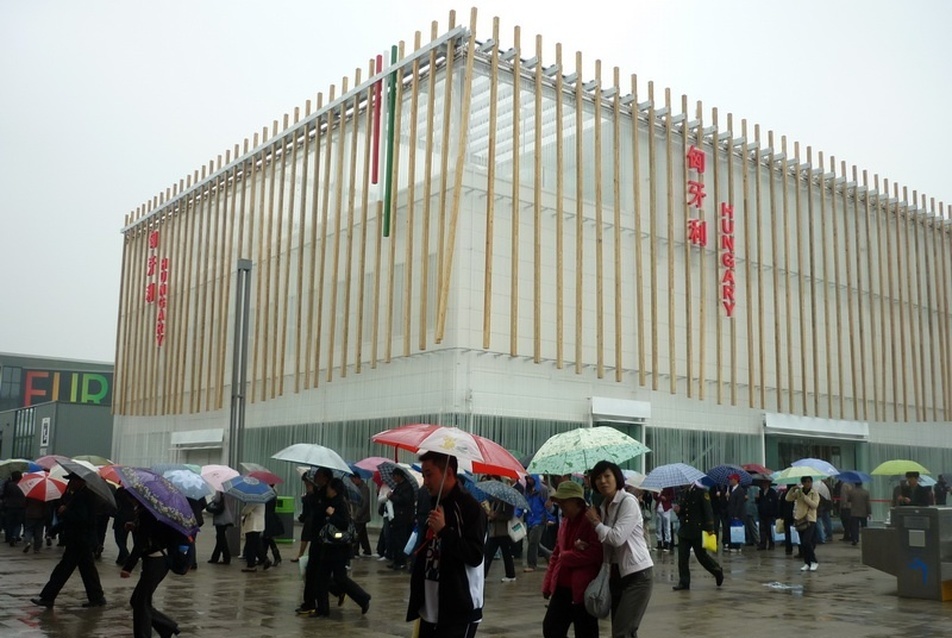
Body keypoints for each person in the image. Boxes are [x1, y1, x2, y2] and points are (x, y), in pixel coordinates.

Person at [407, 451, 487, 637]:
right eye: (423, 475)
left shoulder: (470, 508)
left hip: (459, 609)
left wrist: (443, 531)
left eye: (429, 474)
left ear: (448, 473)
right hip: (430, 605)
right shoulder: (434, 503)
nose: (425, 481)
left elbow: (474, 555)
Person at [585, 460, 653, 638]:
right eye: (598, 478)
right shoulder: (603, 506)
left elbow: (616, 538)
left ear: (617, 478)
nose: (603, 481)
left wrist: (596, 522)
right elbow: (607, 541)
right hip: (616, 574)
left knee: (622, 631)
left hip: (638, 574)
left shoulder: (628, 502)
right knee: (624, 629)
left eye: (607, 476)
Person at [31, 473, 107, 608]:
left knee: (63, 569)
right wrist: (55, 529)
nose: (69, 483)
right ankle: (97, 597)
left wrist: (65, 511)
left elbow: (81, 518)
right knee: (87, 570)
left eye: (71, 480)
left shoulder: (83, 496)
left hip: (78, 540)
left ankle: (48, 597)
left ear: (79, 481)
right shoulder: (79, 494)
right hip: (81, 539)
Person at [542, 480, 602, 638]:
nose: (560, 506)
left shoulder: (591, 521)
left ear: (576, 502)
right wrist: (548, 583)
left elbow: (596, 553)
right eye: (559, 502)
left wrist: (568, 556)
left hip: (583, 589)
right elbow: (556, 553)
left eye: (564, 502)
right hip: (562, 587)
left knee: (585, 631)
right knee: (551, 628)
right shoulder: (565, 522)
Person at [308, 477, 371, 617]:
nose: (327, 490)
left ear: (335, 490)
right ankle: (322, 609)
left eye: (329, 488)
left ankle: (363, 598)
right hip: (328, 547)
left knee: (340, 579)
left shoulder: (341, 504)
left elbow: (343, 524)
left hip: (338, 549)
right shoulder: (329, 501)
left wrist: (332, 514)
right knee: (321, 579)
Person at [120, 501, 181, 638]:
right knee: (139, 601)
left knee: (140, 602)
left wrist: (128, 567)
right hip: (156, 560)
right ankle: (167, 627)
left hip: (156, 560)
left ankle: (147, 634)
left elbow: (141, 542)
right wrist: (135, 527)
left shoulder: (147, 513)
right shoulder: (152, 510)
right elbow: (153, 532)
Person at [672, 481, 724, 591]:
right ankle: (684, 582)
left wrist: (710, 528)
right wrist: (678, 510)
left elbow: (708, 510)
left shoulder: (701, 492)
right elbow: (684, 511)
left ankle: (717, 570)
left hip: (697, 530)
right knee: (682, 558)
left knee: (702, 557)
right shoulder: (684, 492)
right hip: (684, 530)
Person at [785, 476, 820, 572]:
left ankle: (814, 561)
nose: (808, 484)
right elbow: (788, 499)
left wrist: (805, 498)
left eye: (809, 482)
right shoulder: (799, 492)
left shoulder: (814, 493)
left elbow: (815, 505)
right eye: (806, 482)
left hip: (810, 519)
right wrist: (792, 489)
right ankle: (807, 563)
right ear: (803, 483)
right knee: (802, 543)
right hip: (800, 519)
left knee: (806, 541)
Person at [524, 474, 554, 572]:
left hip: (540, 519)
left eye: (530, 478)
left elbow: (548, 505)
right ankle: (549, 555)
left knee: (533, 542)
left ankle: (532, 564)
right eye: (527, 478)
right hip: (530, 519)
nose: (529, 480)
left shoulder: (542, 489)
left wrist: (549, 518)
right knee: (534, 542)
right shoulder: (527, 490)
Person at [483, 495, 517, 582]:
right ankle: (483, 574)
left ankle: (510, 575)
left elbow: (508, 516)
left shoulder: (507, 503)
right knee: (488, 554)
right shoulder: (494, 503)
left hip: (504, 532)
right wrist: (490, 515)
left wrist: (495, 516)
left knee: (506, 554)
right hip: (494, 532)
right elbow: (492, 516)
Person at [388, 467, 416, 570]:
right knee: (394, 540)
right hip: (396, 517)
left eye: (394, 476)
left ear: (399, 476)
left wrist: (392, 497)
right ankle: (396, 560)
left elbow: (404, 500)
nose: (393, 478)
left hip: (403, 518)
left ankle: (401, 561)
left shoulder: (407, 487)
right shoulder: (398, 486)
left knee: (401, 540)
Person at [207, 491, 238, 565]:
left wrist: (213, 498)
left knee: (221, 537)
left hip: (221, 517)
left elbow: (217, 500)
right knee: (220, 537)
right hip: (229, 516)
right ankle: (215, 557)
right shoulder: (231, 491)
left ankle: (226, 557)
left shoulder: (220, 489)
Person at [291, 475, 316, 562]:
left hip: (313, 518)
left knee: (309, 537)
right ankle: (301, 554)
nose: (305, 484)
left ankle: (303, 554)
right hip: (309, 517)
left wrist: (306, 498)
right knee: (305, 537)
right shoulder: (309, 493)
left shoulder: (315, 493)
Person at [240, 501, 268, 572]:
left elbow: (245, 511)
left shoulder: (254, 500)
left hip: (253, 525)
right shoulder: (261, 500)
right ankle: (264, 559)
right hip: (258, 525)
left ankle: (251, 565)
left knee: (251, 546)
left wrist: (243, 510)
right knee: (256, 545)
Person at [261, 487, 284, 566]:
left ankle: (276, 557)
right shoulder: (273, 493)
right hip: (269, 517)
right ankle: (264, 557)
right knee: (266, 538)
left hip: (268, 519)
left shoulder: (268, 494)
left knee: (268, 538)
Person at [352, 475, 373, 557]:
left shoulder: (364, 488)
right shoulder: (357, 487)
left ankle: (355, 551)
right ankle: (367, 550)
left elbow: (364, 503)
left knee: (357, 533)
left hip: (361, 516)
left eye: (353, 479)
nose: (353, 481)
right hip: (358, 515)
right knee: (362, 534)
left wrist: (358, 514)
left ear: (358, 478)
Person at [3, 470, 25, 546]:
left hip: (10, 506)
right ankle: (15, 536)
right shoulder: (23, 485)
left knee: (9, 523)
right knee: (18, 523)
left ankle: (9, 537)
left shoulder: (9, 485)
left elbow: (5, 495)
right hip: (21, 507)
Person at [725, 474, 746, 552]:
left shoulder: (740, 490)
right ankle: (732, 544)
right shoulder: (731, 489)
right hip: (731, 513)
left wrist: (736, 515)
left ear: (735, 480)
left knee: (736, 529)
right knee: (731, 529)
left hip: (737, 514)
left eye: (731, 479)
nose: (730, 481)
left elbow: (739, 504)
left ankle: (737, 546)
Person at [755, 480, 779, 550]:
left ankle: (771, 544)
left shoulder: (772, 492)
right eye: (763, 483)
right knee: (762, 530)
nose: (764, 485)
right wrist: (757, 498)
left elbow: (775, 503)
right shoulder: (761, 492)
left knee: (769, 530)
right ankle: (763, 544)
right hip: (762, 514)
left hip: (769, 514)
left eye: (765, 483)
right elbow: (758, 502)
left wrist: (775, 514)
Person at [654, 487, 674, 553]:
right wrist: (658, 496)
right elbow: (654, 496)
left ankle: (667, 543)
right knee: (658, 527)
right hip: (658, 508)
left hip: (666, 508)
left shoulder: (669, 487)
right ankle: (659, 542)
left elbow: (672, 496)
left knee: (667, 527)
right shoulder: (656, 487)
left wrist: (666, 498)